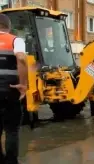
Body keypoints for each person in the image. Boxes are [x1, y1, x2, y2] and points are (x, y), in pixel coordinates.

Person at [0, 14, 28, 164]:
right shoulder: (15, 40)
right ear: (8, 27)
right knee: (11, 130)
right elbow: (21, 58)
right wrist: (23, 85)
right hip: (10, 91)